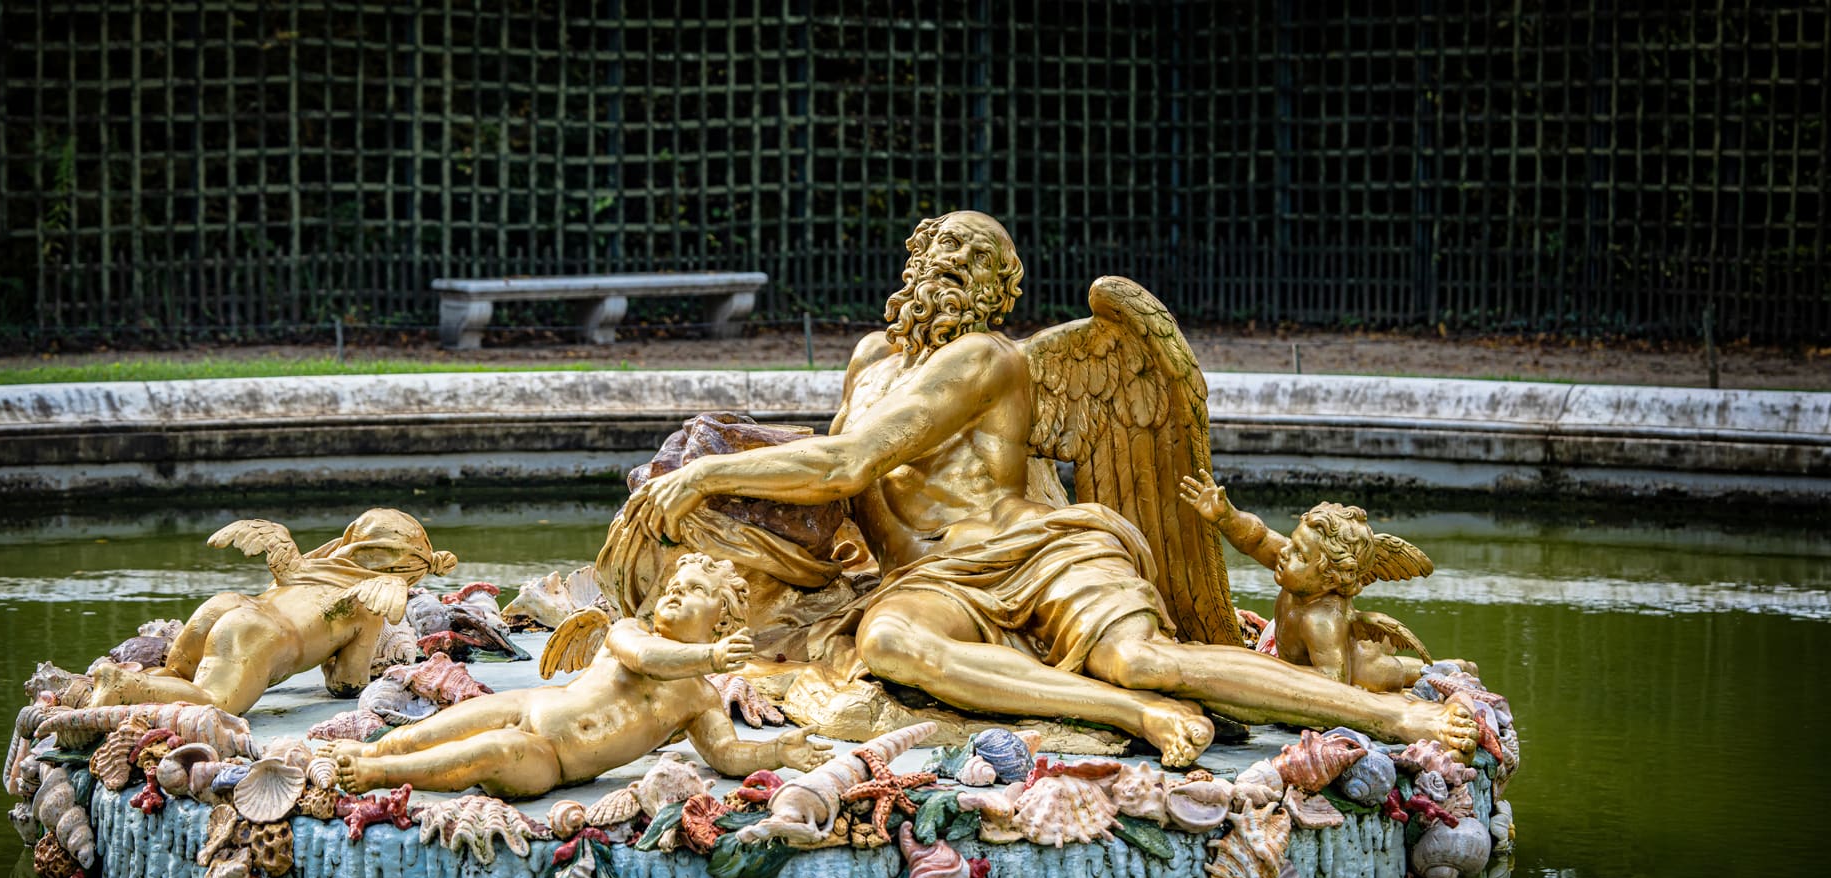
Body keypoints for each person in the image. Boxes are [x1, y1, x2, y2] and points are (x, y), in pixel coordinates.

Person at [620, 211, 1477, 763]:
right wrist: (725, 501)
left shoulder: (985, 359)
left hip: (1034, 549)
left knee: (1144, 659)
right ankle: (1126, 714)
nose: (956, 267)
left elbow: (851, 463)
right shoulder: (870, 359)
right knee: (888, 644)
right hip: (928, 579)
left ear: (998, 293)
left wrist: (708, 473)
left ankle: (1391, 719)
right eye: (946, 250)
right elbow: (831, 479)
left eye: (979, 263)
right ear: (915, 262)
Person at [323, 553, 833, 797]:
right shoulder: (630, 631)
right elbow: (649, 659)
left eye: (696, 590)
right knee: (431, 731)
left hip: (553, 761)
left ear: (721, 620)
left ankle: (377, 774)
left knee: (493, 751)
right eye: (674, 585)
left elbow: (725, 755)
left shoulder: (699, 699)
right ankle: (375, 751)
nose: (676, 592)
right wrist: (712, 658)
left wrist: (778, 752)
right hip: (530, 704)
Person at [89, 508, 454, 715]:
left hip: (229, 604)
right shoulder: (366, 603)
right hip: (258, 632)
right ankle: (124, 686)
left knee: (178, 676)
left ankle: (137, 685)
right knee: (215, 703)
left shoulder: (309, 565)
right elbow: (347, 683)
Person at [1179, 471, 1435, 692]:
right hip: (1295, 656)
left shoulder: (1321, 620)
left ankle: (1439, 669)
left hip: (1360, 670)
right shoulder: (1298, 572)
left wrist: (1267, 670)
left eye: (1299, 554)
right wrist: (1227, 516)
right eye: (1292, 542)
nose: (1285, 552)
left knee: (1389, 673)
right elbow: (1258, 539)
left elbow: (1334, 682)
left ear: (1329, 579)